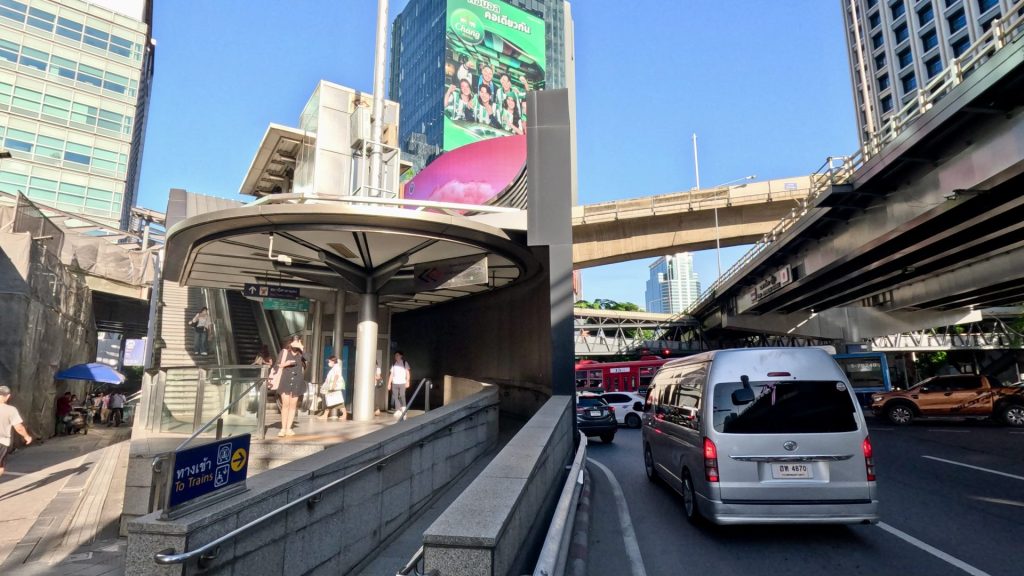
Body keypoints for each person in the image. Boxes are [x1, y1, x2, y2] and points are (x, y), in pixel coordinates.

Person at [272, 337, 306, 437]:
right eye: (294, 342)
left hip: (297, 383)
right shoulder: (284, 352)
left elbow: (309, 358)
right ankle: (283, 428)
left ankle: (289, 428)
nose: (295, 344)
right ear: (290, 343)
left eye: (298, 342)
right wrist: (285, 364)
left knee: (293, 406)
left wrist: (302, 347)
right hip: (285, 382)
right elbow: (276, 366)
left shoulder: (301, 355)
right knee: (285, 405)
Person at [0, 385, 33, 479]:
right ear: (8, 396)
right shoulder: (11, 410)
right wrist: (27, 436)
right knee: (0, 468)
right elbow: (18, 427)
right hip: (2, 442)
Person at [319, 355, 348, 421]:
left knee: (336, 400)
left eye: (329, 361)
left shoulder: (336, 367)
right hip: (331, 386)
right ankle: (325, 415)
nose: (328, 363)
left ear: (333, 361)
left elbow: (336, 376)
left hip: (334, 386)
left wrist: (334, 385)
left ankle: (344, 414)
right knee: (330, 400)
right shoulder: (334, 367)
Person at [387, 351, 411, 417]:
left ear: (401, 356)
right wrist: (389, 384)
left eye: (397, 355)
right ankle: (398, 410)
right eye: (395, 356)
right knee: (395, 396)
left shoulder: (404, 363)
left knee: (402, 395)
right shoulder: (394, 364)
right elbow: (391, 374)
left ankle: (404, 409)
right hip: (394, 383)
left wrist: (408, 381)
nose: (396, 357)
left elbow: (407, 373)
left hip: (402, 382)